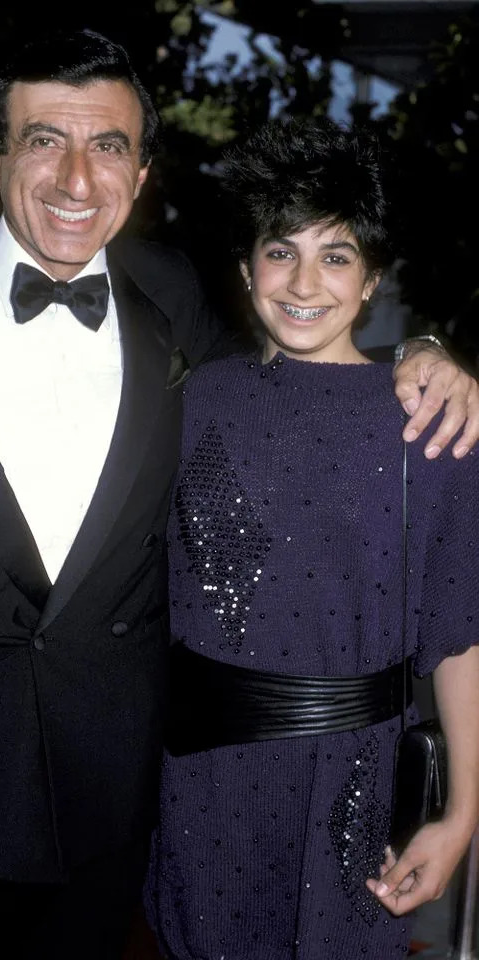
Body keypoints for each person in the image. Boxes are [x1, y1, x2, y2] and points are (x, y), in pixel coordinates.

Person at [0, 29, 477, 960]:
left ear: (141, 174)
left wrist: (424, 354)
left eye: (107, 147)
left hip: (123, 797)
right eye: (43, 140)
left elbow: (305, 394)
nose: (75, 179)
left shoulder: (172, 300)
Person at [143, 118, 479, 960]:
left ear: (370, 280)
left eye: (335, 256)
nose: (304, 281)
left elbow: (459, 635)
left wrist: (463, 812)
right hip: (199, 789)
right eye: (279, 249)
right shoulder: (189, 405)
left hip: (352, 797)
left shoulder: (429, 422)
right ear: (246, 267)